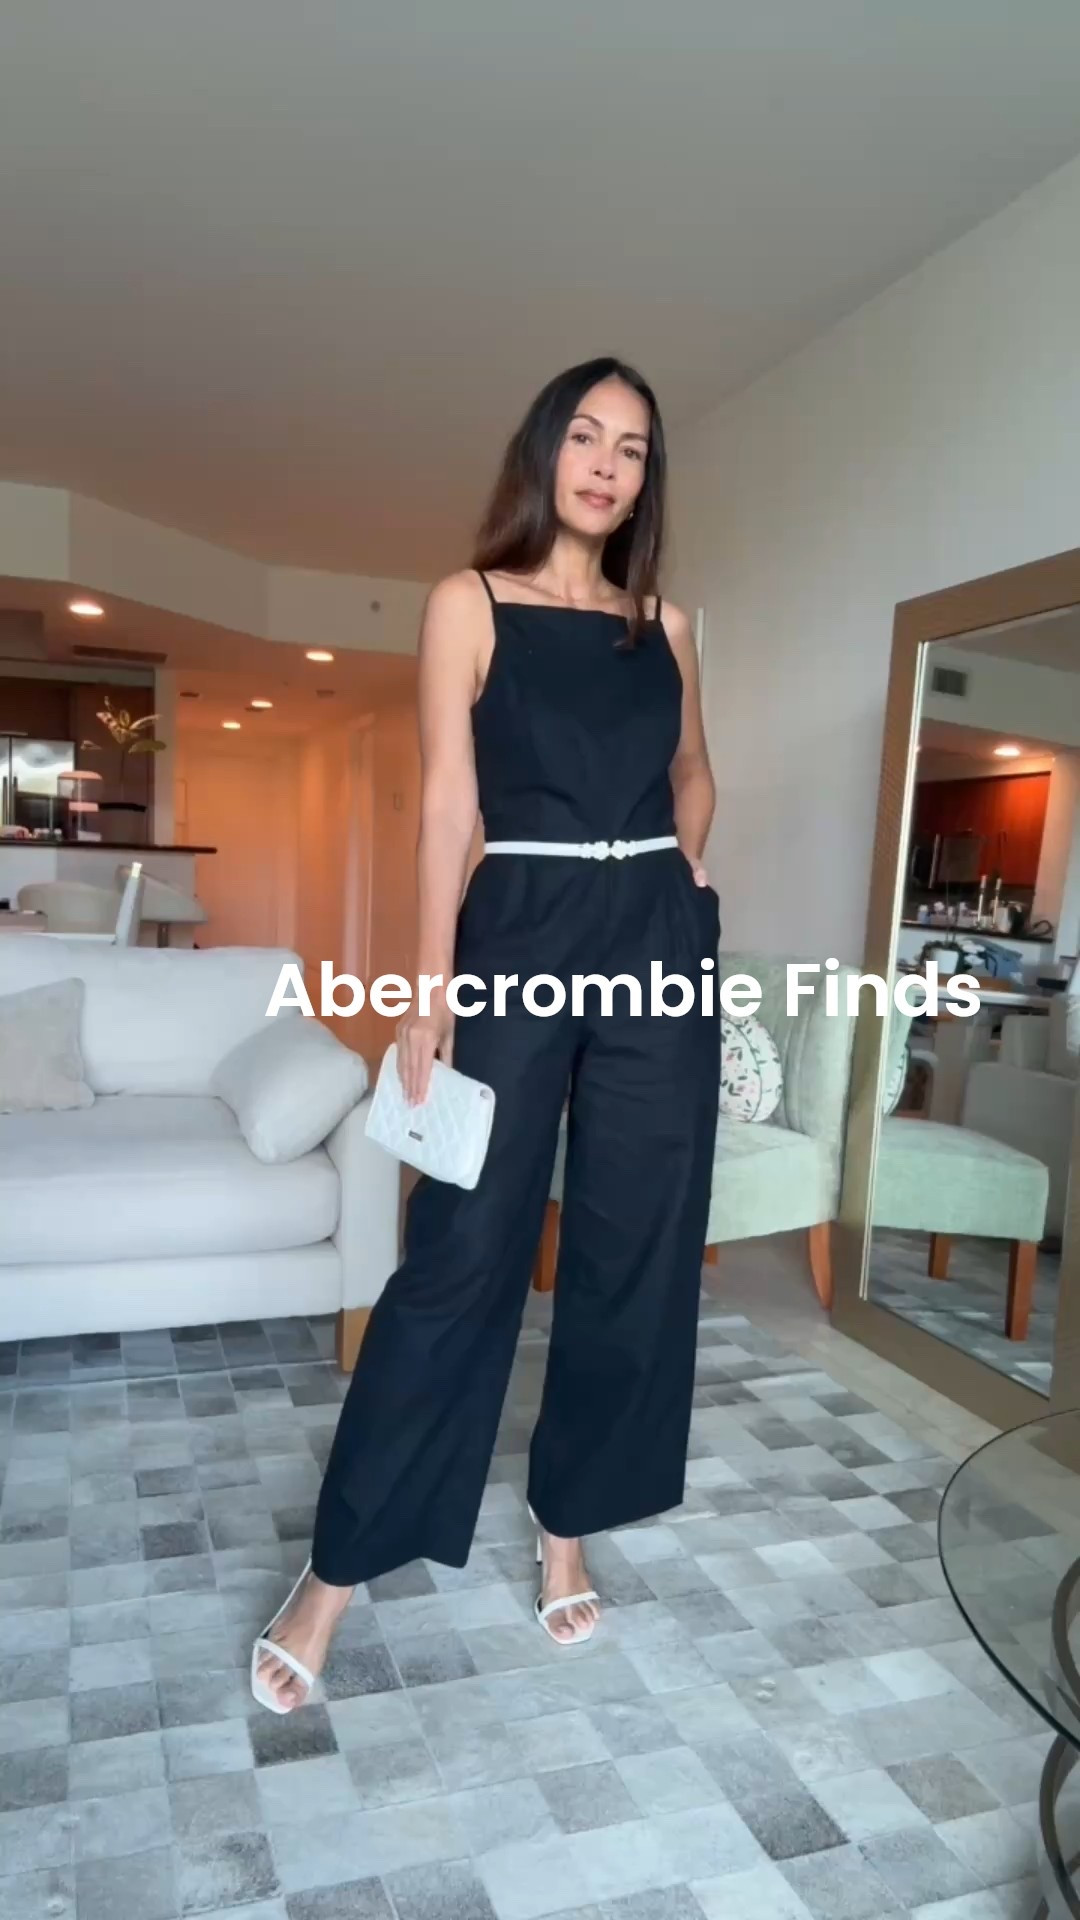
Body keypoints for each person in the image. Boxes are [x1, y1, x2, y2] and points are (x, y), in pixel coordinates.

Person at [252, 354, 719, 1711]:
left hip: (655, 941)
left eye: (633, 449)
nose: (608, 466)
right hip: (517, 925)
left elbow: (694, 768)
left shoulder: (667, 624)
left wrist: (685, 871)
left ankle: (566, 1524)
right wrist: (426, 984)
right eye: (587, 436)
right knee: (461, 1248)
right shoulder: (469, 601)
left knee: (635, 1246)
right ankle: (337, 1571)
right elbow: (449, 804)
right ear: (544, 450)